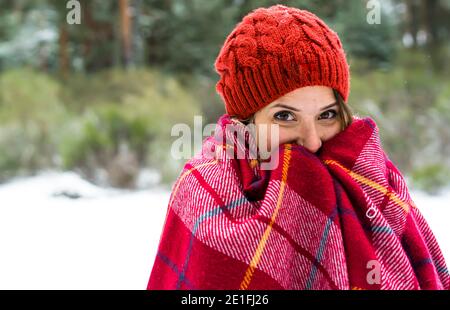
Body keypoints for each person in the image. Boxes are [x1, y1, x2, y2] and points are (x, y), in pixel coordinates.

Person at [147, 5, 449, 290]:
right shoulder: (203, 190)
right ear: (246, 121)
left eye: (326, 115)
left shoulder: (372, 177)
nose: (313, 141)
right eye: (285, 116)